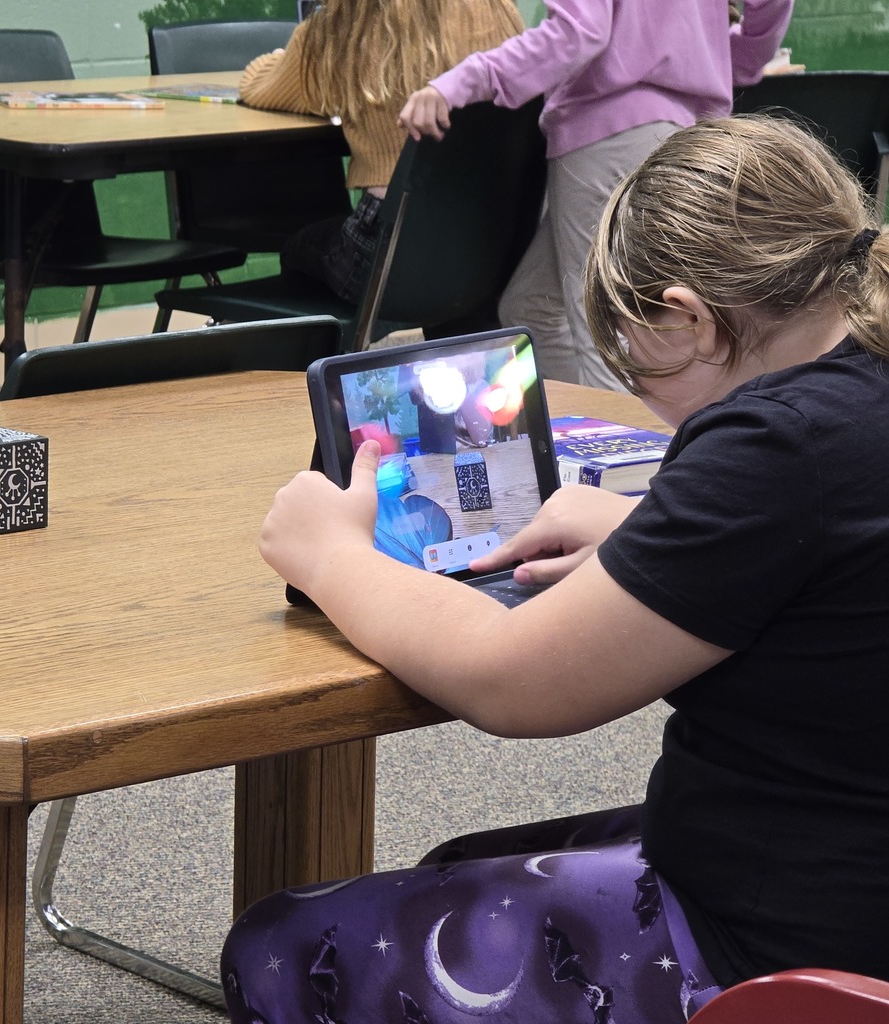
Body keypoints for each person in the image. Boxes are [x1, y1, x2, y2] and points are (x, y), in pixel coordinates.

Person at [220, 114, 889, 1024]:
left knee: (280, 946)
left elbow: (514, 685)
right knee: (456, 862)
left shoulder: (777, 445)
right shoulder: (860, 392)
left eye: (640, 368)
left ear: (688, 317)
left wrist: (329, 554)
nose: (649, 403)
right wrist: (655, 530)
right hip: (852, 879)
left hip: (789, 953)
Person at [398, 0, 794, 390]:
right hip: (687, 134)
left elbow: (578, 31)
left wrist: (461, 81)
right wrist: (733, 57)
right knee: (532, 308)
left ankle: (628, 451)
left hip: (610, 136)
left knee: (602, 326)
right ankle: (588, 441)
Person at [237, 0, 524, 304]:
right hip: (490, 240)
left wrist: (281, 58)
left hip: (384, 252)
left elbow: (260, 88)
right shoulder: (496, 8)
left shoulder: (343, 22)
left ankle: (330, 349)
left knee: (298, 249)